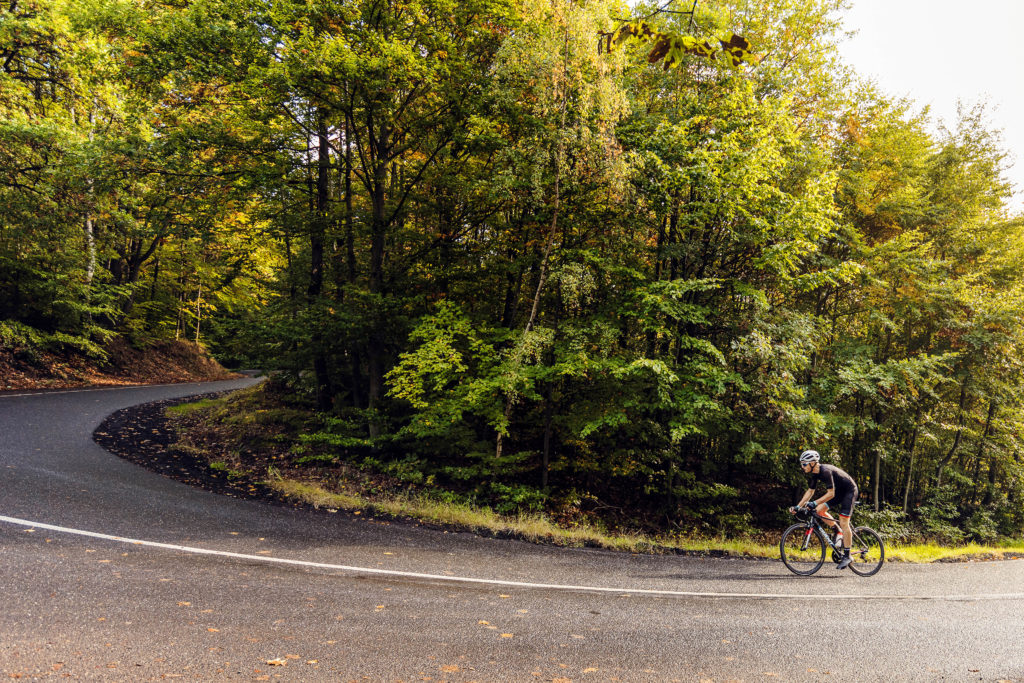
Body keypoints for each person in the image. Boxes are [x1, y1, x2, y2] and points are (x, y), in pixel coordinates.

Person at [789, 449, 859, 570]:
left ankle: (848, 556)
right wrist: (798, 506)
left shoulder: (825, 471)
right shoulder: (815, 474)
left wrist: (814, 502)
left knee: (843, 521)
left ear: (812, 463)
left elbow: (830, 494)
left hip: (849, 491)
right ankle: (838, 532)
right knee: (818, 510)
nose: (802, 467)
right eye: (801, 464)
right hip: (839, 492)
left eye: (804, 464)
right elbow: (810, 491)